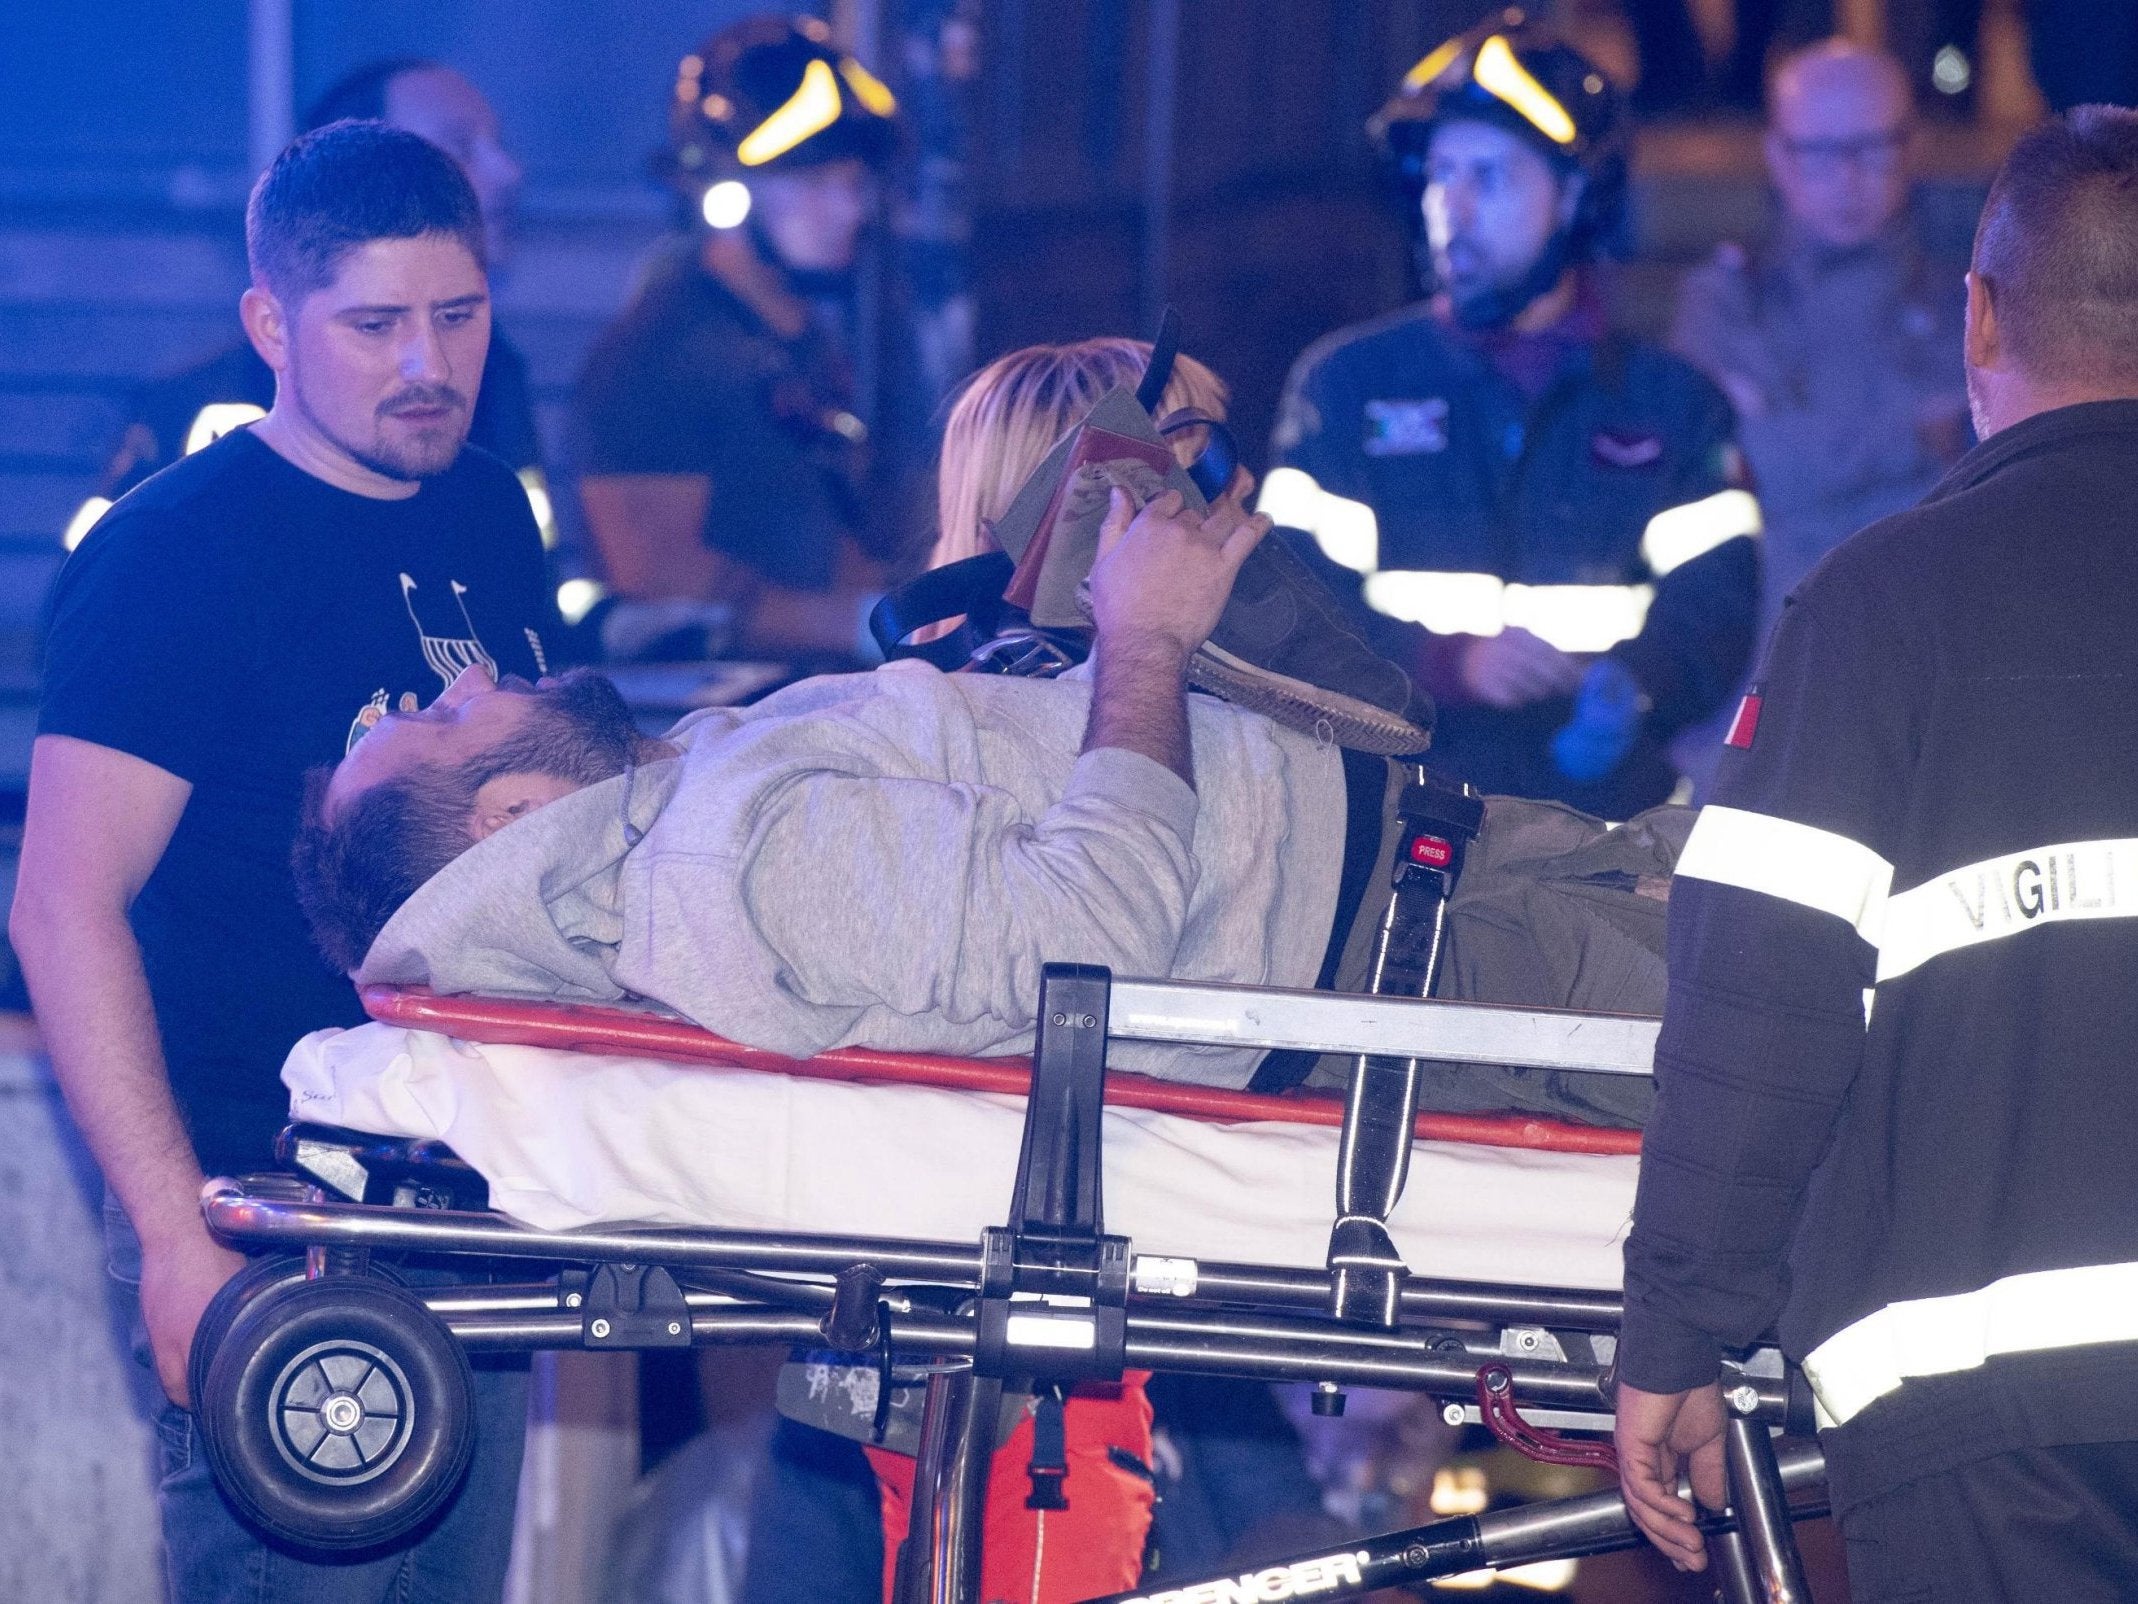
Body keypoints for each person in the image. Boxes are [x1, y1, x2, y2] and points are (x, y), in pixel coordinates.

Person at [14, 122, 560, 1601]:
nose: (426, 362)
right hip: (270, 1212)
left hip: (469, 1208)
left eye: (458, 315)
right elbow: (63, 905)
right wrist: (175, 1232)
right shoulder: (177, 548)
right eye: (374, 324)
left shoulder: (491, 511)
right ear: (270, 323)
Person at [1615, 107, 2138, 1600]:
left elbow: (1757, 1011)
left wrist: (1677, 1331)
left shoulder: (1876, 614)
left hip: (1997, 1429)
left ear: (1973, 315)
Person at [1261, 12, 1760, 821]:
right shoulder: (1347, 387)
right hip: (1397, 815)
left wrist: (1638, 685)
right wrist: (1440, 664)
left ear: (1572, 195)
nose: (1449, 206)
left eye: (1487, 176)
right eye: (1438, 174)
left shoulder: (1673, 405)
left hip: (1602, 826)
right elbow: (1286, 598)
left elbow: (1715, 608)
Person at [1668, 37, 1968, 793]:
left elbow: (1982, 486)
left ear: (1914, 146)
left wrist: (1792, 429)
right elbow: (1756, 470)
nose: (1848, 178)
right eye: (1820, 152)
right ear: (1776, 154)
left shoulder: (1971, 297)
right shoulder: (1724, 302)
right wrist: (1916, 429)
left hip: (1925, 679)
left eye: (1873, 147)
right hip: (1754, 690)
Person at [76, 60, 547, 540]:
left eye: (456, 317)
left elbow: (535, 586)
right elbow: (97, 579)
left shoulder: (499, 371)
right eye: (459, 149)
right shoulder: (205, 402)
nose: (507, 173)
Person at [572, 14, 903, 662]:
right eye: (815, 183)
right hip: (718, 727)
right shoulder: (655, 355)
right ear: (728, 192)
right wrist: (868, 626)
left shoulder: (797, 338)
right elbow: (658, 587)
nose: (851, 209)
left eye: (855, 182)